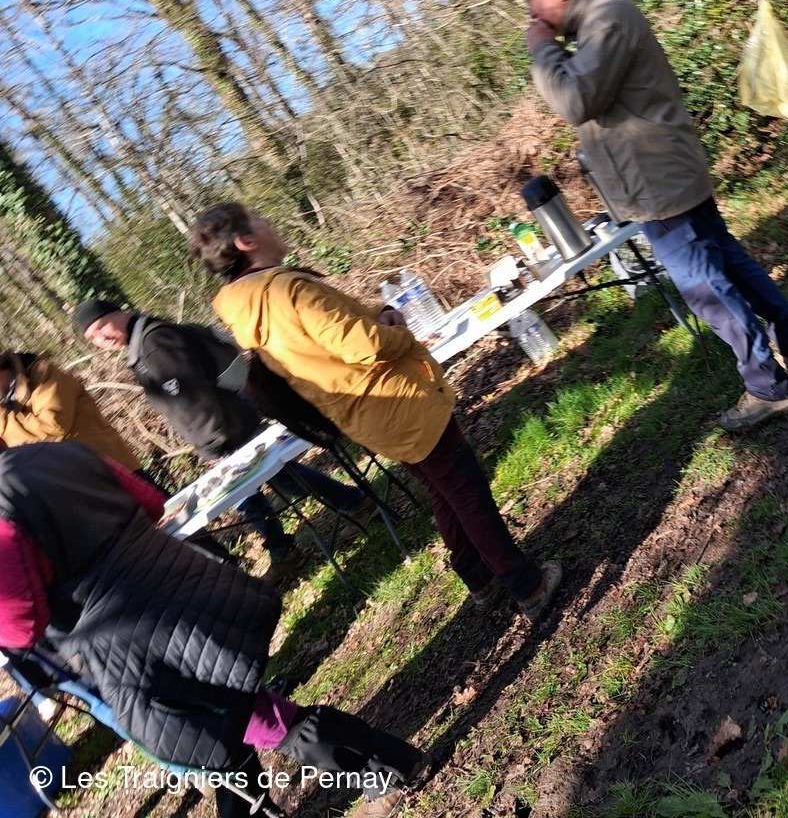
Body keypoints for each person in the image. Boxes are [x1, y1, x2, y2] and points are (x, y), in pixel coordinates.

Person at [0, 438, 423, 818]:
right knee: (216, 725)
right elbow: (151, 503)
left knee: (243, 719)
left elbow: (20, 627)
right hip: (178, 582)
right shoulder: (61, 450)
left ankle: (388, 767)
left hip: (132, 635)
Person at [187, 203, 562, 624]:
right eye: (261, 219)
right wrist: (399, 331)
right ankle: (526, 585)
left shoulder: (250, 305)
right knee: (464, 489)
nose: (270, 222)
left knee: (445, 488)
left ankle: (478, 576)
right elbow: (366, 346)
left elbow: (330, 344)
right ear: (246, 242)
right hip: (398, 401)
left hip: (367, 413)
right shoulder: (285, 290)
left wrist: (377, 316)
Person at [507, 0, 788, 431]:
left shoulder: (607, 17)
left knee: (706, 289)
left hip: (658, 183)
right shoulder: (599, 20)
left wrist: (542, 48)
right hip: (664, 175)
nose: (532, 15)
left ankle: (768, 387)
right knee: (732, 268)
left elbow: (575, 101)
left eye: (532, 1)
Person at [71, 299, 376, 585]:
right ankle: (289, 546)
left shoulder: (154, 343)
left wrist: (213, 445)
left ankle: (351, 506)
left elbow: (194, 399)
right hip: (224, 431)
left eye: (101, 327)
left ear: (118, 313)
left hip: (228, 431)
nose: (101, 338)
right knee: (261, 490)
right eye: (92, 338)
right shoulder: (143, 346)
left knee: (275, 482)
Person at [0, 348, 160, 486]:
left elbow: (54, 427)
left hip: (113, 473)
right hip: (74, 491)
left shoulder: (42, 373)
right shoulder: (3, 403)